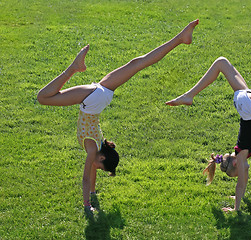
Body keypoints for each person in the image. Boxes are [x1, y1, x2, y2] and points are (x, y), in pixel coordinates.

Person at [37, 19, 199, 212]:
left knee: (139, 63)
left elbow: (91, 173)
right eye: (100, 167)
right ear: (102, 158)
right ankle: (73, 68)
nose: (95, 168)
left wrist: (93, 194)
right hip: (92, 100)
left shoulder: (97, 145)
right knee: (43, 98)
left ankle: (181, 38)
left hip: (102, 96)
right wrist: (87, 206)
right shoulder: (92, 149)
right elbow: (86, 177)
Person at [166, 52, 251, 212]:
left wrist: (236, 209)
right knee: (221, 62)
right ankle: (189, 95)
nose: (245, 170)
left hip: (248, 105)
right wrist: (239, 197)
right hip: (243, 102)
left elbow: (241, 183)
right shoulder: (240, 153)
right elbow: (244, 179)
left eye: (240, 171)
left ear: (236, 164)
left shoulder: (242, 156)